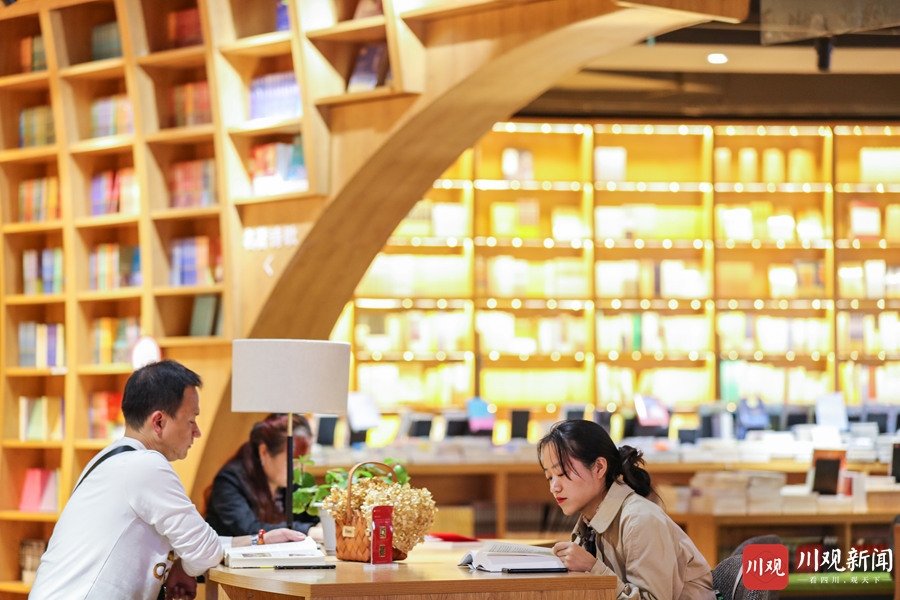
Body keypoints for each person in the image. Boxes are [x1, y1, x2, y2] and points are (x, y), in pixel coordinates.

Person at [29, 360, 304, 600]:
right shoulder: (145, 466)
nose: (197, 432)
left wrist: (259, 541)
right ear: (159, 422)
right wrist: (184, 564)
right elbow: (205, 552)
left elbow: (199, 546)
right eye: (191, 420)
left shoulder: (110, 459)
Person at [539, 419, 716, 600]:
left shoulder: (639, 520)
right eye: (549, 477)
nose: (554, 487)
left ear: (599, 467)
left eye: (561, 473)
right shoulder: (588, 525)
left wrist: (593, 568)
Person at [205, 413, 321, 538]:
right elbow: (250, 529)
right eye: (292, 462)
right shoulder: (229, 481)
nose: (299, 470)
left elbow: (313, 519)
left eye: (304, 461)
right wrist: (308, 531)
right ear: (264, 452)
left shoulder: (291, 481)